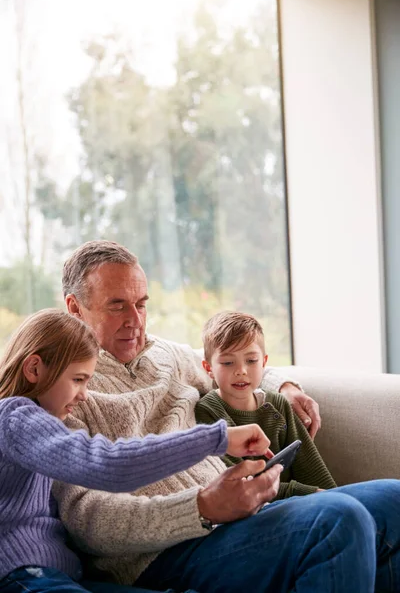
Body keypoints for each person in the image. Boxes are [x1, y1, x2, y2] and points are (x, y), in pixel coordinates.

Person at [53, 240, 400, 593]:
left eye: (142, 305)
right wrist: (201, 508)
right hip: (165, 555)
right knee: (339, 520)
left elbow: (233, 365)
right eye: (117, 306)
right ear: (75, 308)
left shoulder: (165, 354)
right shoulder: (63, 387)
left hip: (240, 520)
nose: (135, 321)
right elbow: (87, 519)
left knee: (395, 499)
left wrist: (286, 386)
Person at [0, 308, 273, 593]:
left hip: (64, 575)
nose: (83, 395)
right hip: (24, 576)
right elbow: (107, 465)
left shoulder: (40, 424)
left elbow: (224, 355)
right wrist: (215, 439)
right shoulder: (15, 418)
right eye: (78, 380)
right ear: (34, 369)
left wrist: (283, 384)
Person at [195, 310, 336, 498]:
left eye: (251, 360)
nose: (241, 371)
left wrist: (337, 496)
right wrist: (308, 492)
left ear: (264, 362)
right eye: (228, 362)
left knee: (387, 492)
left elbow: (310, 466)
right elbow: (241, 485)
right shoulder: (208, 411)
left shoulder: (278, 404)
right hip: (264, 510)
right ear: (208, 368)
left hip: (304, 501)